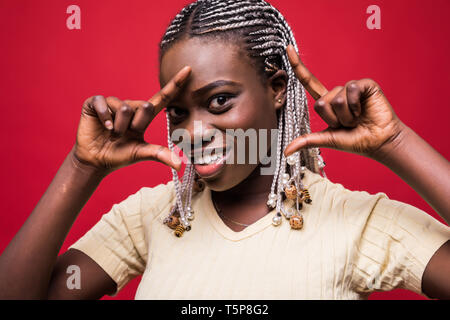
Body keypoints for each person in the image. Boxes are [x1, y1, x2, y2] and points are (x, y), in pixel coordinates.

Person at [0, 0, 449, 300]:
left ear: (276, 89)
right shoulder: (152, 216)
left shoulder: (355, 220)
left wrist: (395, 143)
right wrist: (82, 166)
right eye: (176, 112)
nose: (193, 131)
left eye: (219, 101)